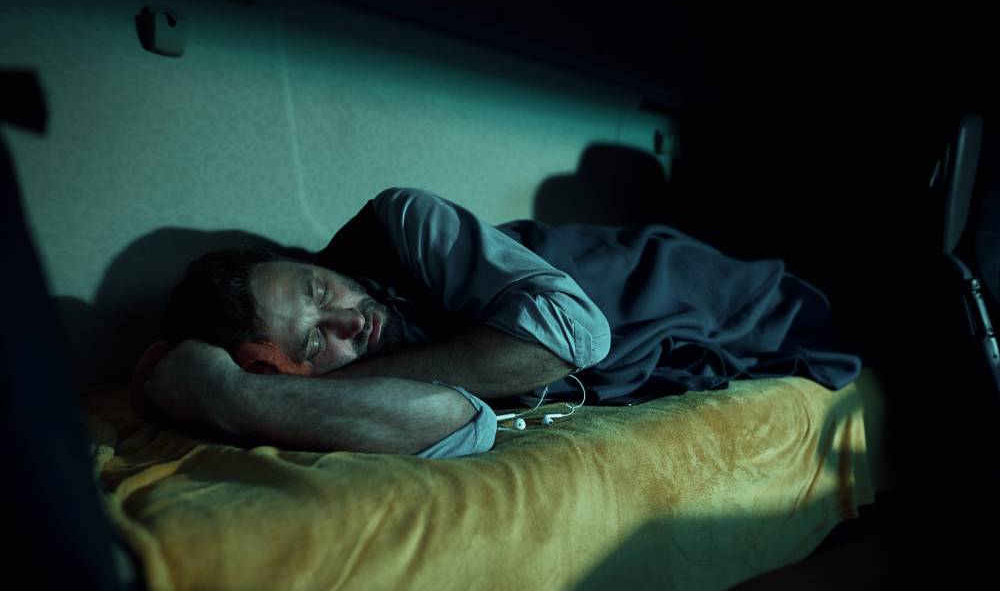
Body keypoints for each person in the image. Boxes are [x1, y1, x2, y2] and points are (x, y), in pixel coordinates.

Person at [143, 187, 862, 459]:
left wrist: (332, 380)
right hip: (657, 351)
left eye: (318, 287)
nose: (346, 319)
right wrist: (232, 395)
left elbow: (577, 334)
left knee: (862, 299)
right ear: (281, 368)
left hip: (704, 289)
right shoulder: (314, 392)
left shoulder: (401, 221)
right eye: (312, 342)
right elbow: (441, 413)